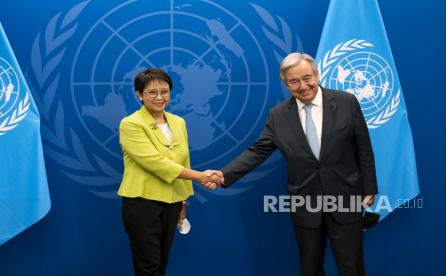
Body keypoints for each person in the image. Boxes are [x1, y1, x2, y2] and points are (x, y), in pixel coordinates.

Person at [212, 53, 378, 276]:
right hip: (305, 202)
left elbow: (364, 150)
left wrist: (369, 189)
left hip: (345, 198)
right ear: (285, 83)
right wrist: (224, 175)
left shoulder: (346, 102)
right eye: (294, 81)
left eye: (307, 78)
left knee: (351, 267)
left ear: (317, 74)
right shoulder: (278, 115)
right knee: (309, 268)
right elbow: (258, 151)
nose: (303, 86)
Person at [117, 68, 220, 276]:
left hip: (172, 203)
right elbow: (156, 163)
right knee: (148, 265)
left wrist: (184, 203)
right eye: (152, 92)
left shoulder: (178, 122)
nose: (159, 97)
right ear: (139, 94)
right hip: (142, 203)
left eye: (164, 91)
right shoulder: (130, 124)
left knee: (162, 262)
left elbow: (183, 160)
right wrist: (201, 176)